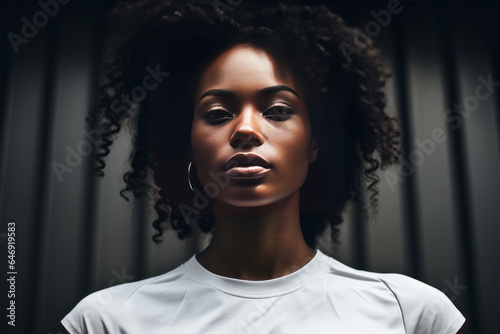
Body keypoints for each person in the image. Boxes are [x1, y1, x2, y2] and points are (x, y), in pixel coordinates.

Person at [61, 0, 466, 333]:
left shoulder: (414, 315)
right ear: (187, 145)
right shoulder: (106, 321)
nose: (246, 130)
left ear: (314, 144)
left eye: (277, 110)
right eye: (218, 113)